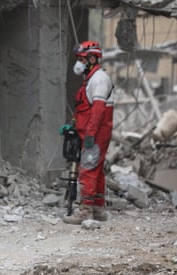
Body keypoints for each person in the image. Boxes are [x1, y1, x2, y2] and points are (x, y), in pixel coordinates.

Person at [60, 40, 114, 225]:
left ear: (92, 58)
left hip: (96, 134)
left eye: (81, 59)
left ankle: (85, 211)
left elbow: (98, 112)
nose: (79, 63)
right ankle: (98, 209)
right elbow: (84, 109)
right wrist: (74, 126)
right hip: (90, 133)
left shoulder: (99, 79)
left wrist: (90, 135)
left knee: (88, 170)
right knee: (96, 171)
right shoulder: (90, 79)